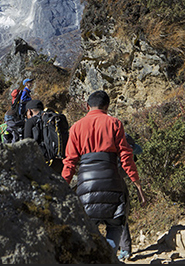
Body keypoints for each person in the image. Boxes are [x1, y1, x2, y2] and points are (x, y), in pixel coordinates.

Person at [62, 90, 146, 261]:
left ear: (87, 106)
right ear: (107, 106)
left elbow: (69, 162)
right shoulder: (114, 123)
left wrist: (62, 187)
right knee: (115, 227)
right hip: (112, 181)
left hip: (85, 183)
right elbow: (126, 157)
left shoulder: (76, 127)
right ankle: (109, 257)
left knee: (87, 229)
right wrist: (137, 184)